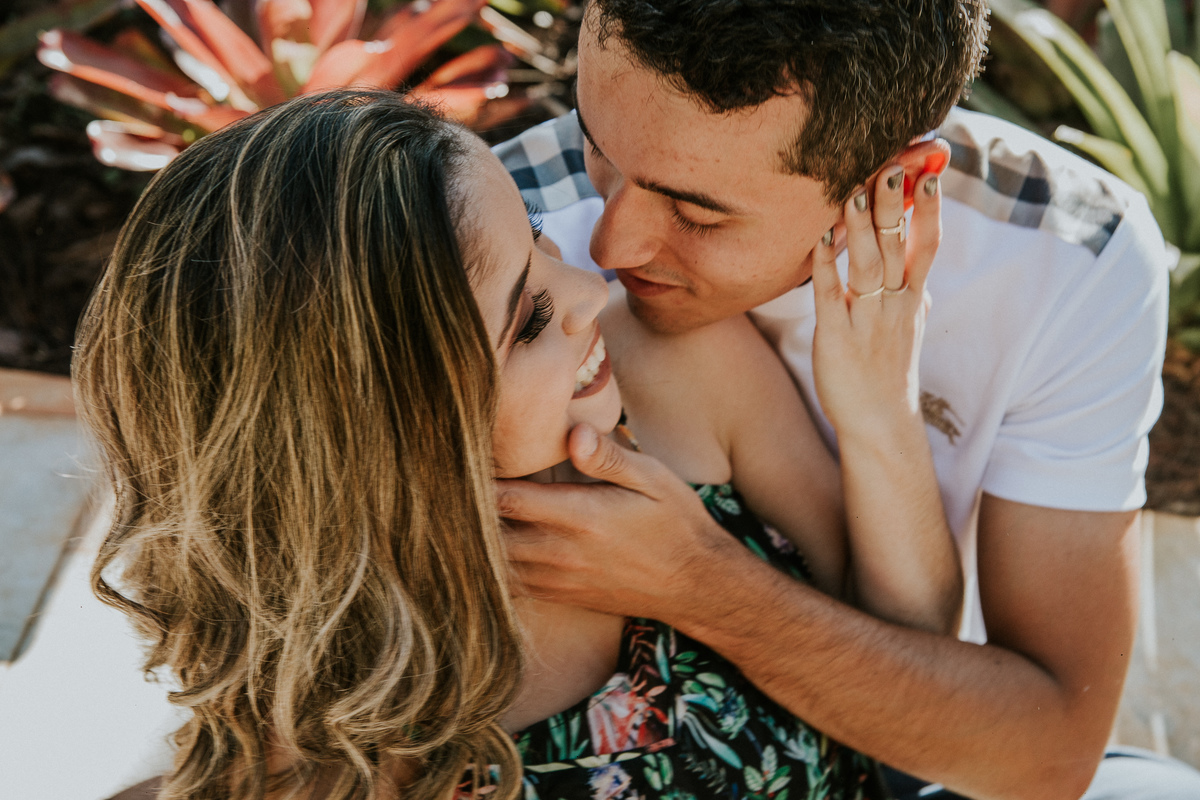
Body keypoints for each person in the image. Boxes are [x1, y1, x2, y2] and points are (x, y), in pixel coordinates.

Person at [71, 88, 957, 800]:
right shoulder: (307, 757)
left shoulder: (672, 369)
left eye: (535, 234)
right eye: (528, 321)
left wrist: (878, 411)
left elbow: (912, 679)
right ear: (392, 438)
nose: (587, 285)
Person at [492, 2, 1200, 799]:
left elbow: (1043, 751)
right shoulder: (499, 246)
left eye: (697, 212)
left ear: (890, 182)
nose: (604, 252)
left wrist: (701, 580)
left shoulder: (1068, 255)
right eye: (593, 141)